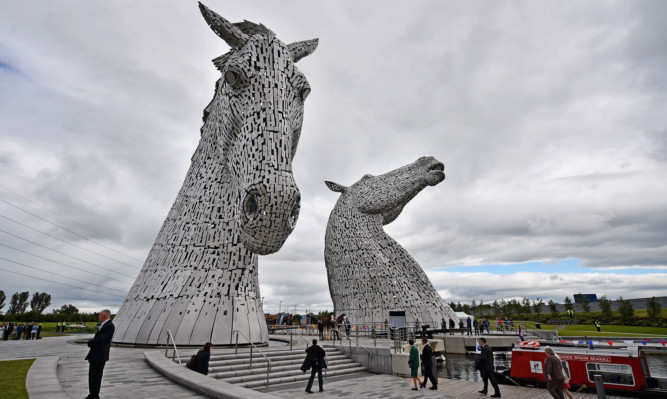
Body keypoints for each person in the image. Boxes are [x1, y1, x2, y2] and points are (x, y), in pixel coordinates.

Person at [85, 309, 115, 399]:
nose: (98, 316)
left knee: (95, 376)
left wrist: (90, 342)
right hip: (97, 355)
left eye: (99, 315)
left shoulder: (109, 325)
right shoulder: (105, 325)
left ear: (105, 316)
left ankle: (94, 395)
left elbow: (101, 339)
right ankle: (93, 394)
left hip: (99, 355)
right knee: (93, 375)